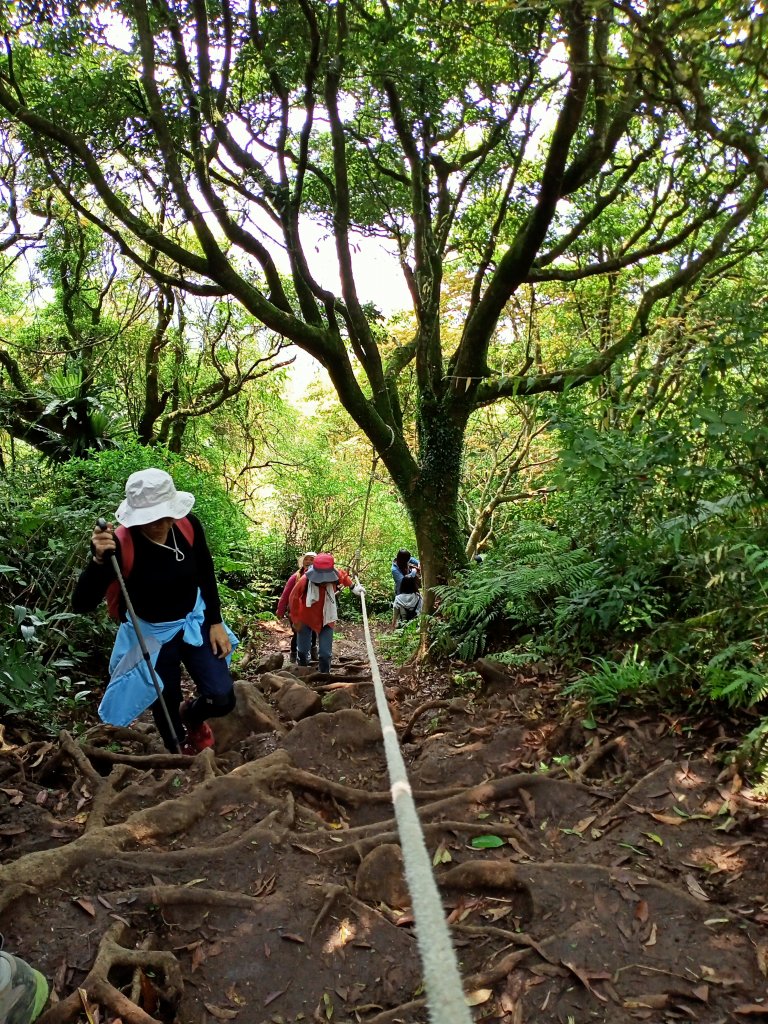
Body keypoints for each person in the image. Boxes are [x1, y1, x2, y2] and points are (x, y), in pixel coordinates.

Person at [73, 468, 237, 756]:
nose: (161, 523)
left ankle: (193, 715)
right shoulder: (121, 544)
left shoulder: (188, 526)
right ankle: (180, 756)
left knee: (222, 698)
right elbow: (81, 603)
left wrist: (215, 621)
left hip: (194, 621)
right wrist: (99, 560)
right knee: (165, 705)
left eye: (166, 514)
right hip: (151, 636)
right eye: (151, 517)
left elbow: (205, 573)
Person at [288, 552, 364, 673]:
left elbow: (344, 577)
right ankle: (302, 672)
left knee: (325, 654)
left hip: (327, 617)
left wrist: (354, 588)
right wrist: (296, 620)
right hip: (306, 618)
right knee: (302, 651)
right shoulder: (305, 579)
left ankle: (324, 675)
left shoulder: (335, 574)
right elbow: (293, 599)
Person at [276, 552, 318, 664]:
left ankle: (313, 651)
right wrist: (280, 610)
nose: (308, 562)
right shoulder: (295, 577)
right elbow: (285, 595)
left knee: (313, 631)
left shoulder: (319, 577)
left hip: (311, 611)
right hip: (295, 611)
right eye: (306, 559)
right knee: (298, 632)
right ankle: (294, 653)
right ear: (303, 562)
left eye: (312, 559)